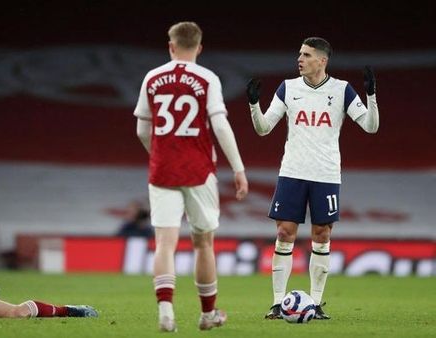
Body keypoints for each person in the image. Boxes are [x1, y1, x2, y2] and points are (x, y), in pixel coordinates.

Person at [245, 37, 379, 320]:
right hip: (292, 171)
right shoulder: (288, 87)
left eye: (306, 55)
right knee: (284, 234)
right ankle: (277, 303)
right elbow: (264, 128)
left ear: (322, 60)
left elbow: (370, 126)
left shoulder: (342, 89)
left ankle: (316, 303)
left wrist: (371, 96)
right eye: (299, 54)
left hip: (326, 174)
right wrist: (254, 105)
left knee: (322, 235)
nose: (300, 59)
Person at [134, 21, 249, 332]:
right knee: (203, 243)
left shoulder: (152, 77)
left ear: (171, 46)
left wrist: (159, 154)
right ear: (199, 47)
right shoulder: (207, 78)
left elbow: (142, 129)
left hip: (162, 170)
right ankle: (208, 314)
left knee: (164, 243)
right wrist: (238, 168)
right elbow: (221, 126)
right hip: (199, 171)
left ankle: (166, 311)